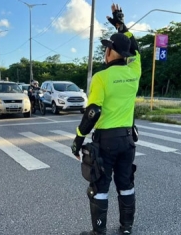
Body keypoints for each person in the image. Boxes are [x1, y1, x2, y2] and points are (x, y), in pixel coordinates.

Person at [71, 3, 141, 235]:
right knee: (126, 185)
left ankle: (99, 232)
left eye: (107, 48)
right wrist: (122, 24)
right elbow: (135, 46)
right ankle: (126, 229)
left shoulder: (101, 77)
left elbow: (93, 112)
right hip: (127, 140)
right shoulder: (134, 72)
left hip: (106, 142)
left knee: (99, 186)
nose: (105, 51)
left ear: (111, 52)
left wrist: (78, 139)